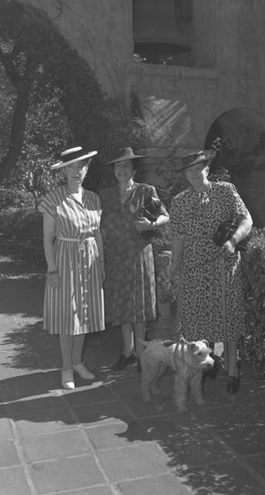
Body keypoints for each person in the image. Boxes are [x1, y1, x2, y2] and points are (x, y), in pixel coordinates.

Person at [169, 150, 253, 393]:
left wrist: (234, 240)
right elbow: (178, 237)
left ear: (207, 169)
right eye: (189, 171)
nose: (194, 174)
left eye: (198, 169)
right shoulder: (179, 202)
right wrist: (174, 266)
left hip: (223, 264)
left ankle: (233, 371)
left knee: (226, 315)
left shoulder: (226, 191)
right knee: (198, 319)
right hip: (193, 268)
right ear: (185, 175)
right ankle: (208, 363)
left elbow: (246, 220)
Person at [39, 146, 105, 390]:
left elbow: (97, 234)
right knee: (69, 317)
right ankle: (66, 366)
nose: (77, 171)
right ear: (64, 171)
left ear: (87, 169)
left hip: (90, 262)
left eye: (81, 166)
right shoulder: (53, 199)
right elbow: (48, 239)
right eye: (72, 167)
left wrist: (102, 264)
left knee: (85, 315)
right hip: (65, 261)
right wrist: (52, 270)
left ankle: (78, 362)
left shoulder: (93, 198)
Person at [99, 147, 169, 370]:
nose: (122, 170)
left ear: (134, 170)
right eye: (118, 166)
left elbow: (165, 216)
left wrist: (152, 224)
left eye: (127, 166)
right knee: (122, 303)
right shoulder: (105, 196)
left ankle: (141, 352)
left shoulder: (147, 191)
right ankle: (127, 350)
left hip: (139, 253)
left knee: (138, 303)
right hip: (115, 256)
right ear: (114, 171)